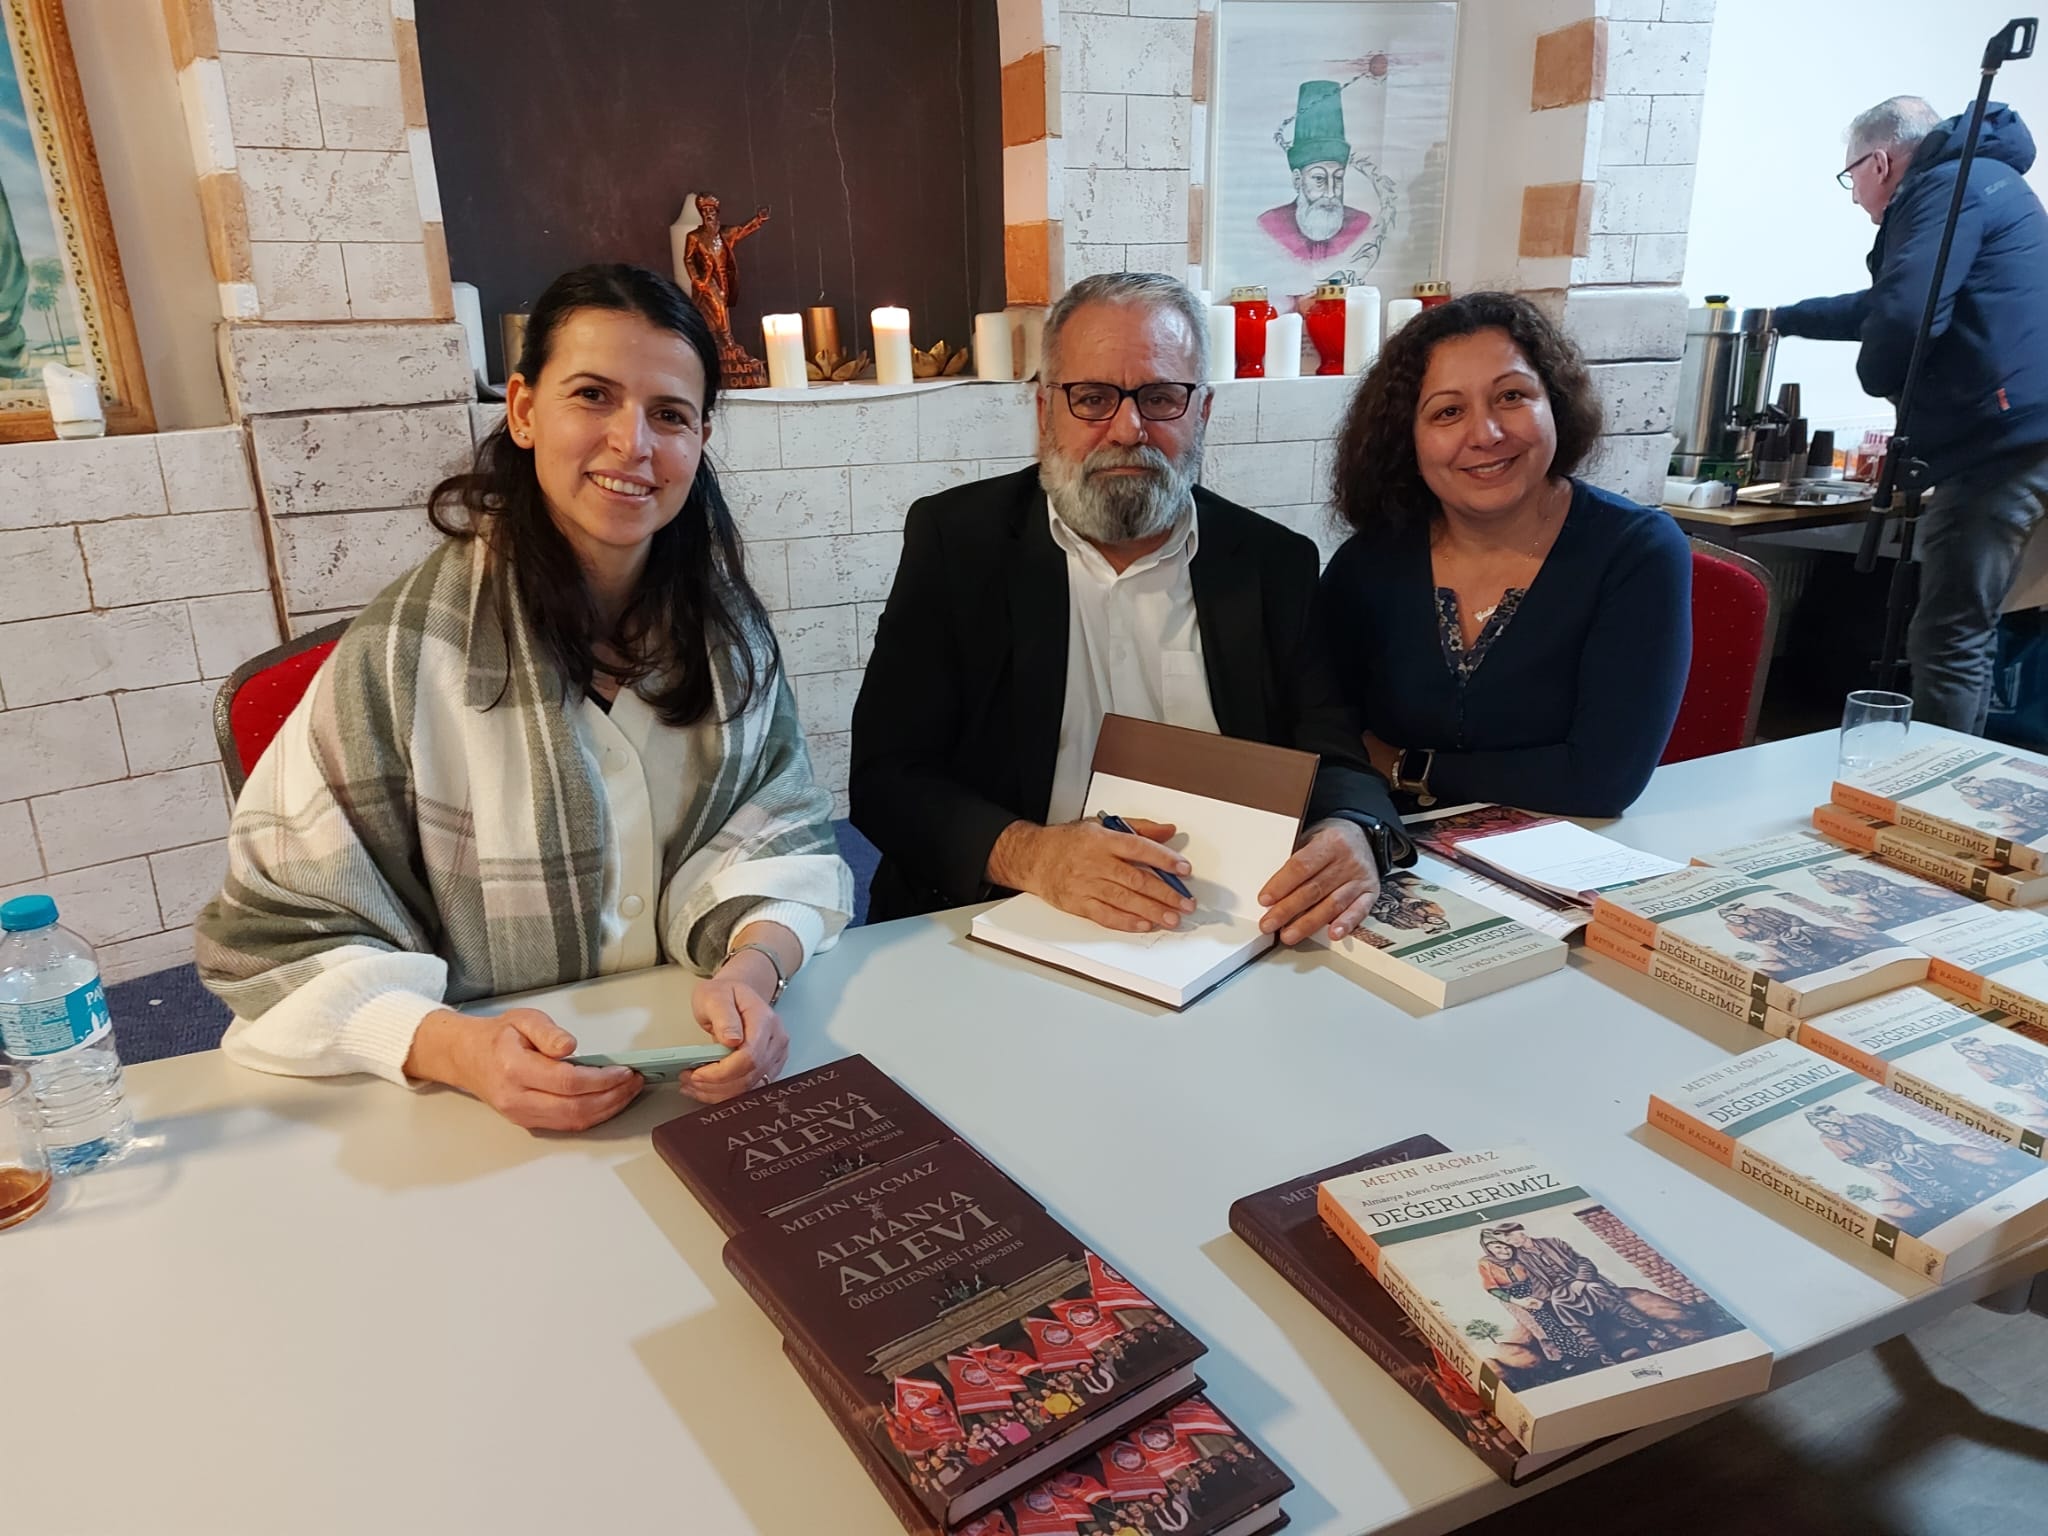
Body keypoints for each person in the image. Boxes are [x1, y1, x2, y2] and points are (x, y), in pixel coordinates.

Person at [196, 264, 851, 1131]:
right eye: (593, 396)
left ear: (700, 439)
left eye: (669, 414)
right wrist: (457, 1051)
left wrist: (752, 971)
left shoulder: (728, 637)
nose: (633, 443)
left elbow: (783, 833)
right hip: (472, 1102)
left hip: (686, 1074)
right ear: (524, 410)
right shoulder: (407, 651)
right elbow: (278, 937)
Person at [851, 271, 1409, 942]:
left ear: (1202, 411)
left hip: (1221, 918)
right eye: (1092, 398)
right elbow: (886, 777)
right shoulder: (957, 544)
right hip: (1006, 908)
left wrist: (1352, 830)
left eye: (1160, 397)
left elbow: (1337, 757)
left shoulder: (1273, 563)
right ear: (1044, 412)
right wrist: (1035, 856)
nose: (1128, 429)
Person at [1315, 291, 1692, 817]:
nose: (1486, 434)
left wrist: (1405, 766)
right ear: (1407, 441)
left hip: (1573, 842)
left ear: (1555, 403)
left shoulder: (1636, 551)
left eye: (1512, 396)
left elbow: (1603, 780)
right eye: (1448, 412)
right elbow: (1324, 738)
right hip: (1393, 843)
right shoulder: (1367, 564)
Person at [1774, 96, 2048, 734]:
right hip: (2026, 428)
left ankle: (1939, 789)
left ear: (1879, 162)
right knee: (1969, 628)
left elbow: (1903, 314)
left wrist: (1878, 381)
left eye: (1850, 177)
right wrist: (1786, 318)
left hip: (1998, 440)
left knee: (1950, 636)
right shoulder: (1984, 180)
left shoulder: (1944, 188)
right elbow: (1893, 300)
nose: (1854, 197)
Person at [1258, 80, 1376, 266]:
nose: (1330, 193)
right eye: (1319, 178)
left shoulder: (1362, 224)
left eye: (1338, 178)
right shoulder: (1270, 225)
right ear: (1298, 180)